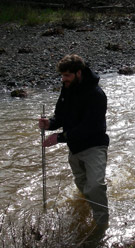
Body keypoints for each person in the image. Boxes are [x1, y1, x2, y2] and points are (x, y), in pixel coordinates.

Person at [38, 54, 110, 226]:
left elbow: (89, 127)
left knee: (95, 186)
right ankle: (87, 209)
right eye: (62, 76)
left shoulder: (97, 95)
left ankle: (101, 222)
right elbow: (60, 116)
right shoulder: (67, 88)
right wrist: (50, 124)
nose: (63, 79)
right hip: (74, 148)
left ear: (79, 73)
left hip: (95, 145)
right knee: (82, 186)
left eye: (67, 75)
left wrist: (59, 137)